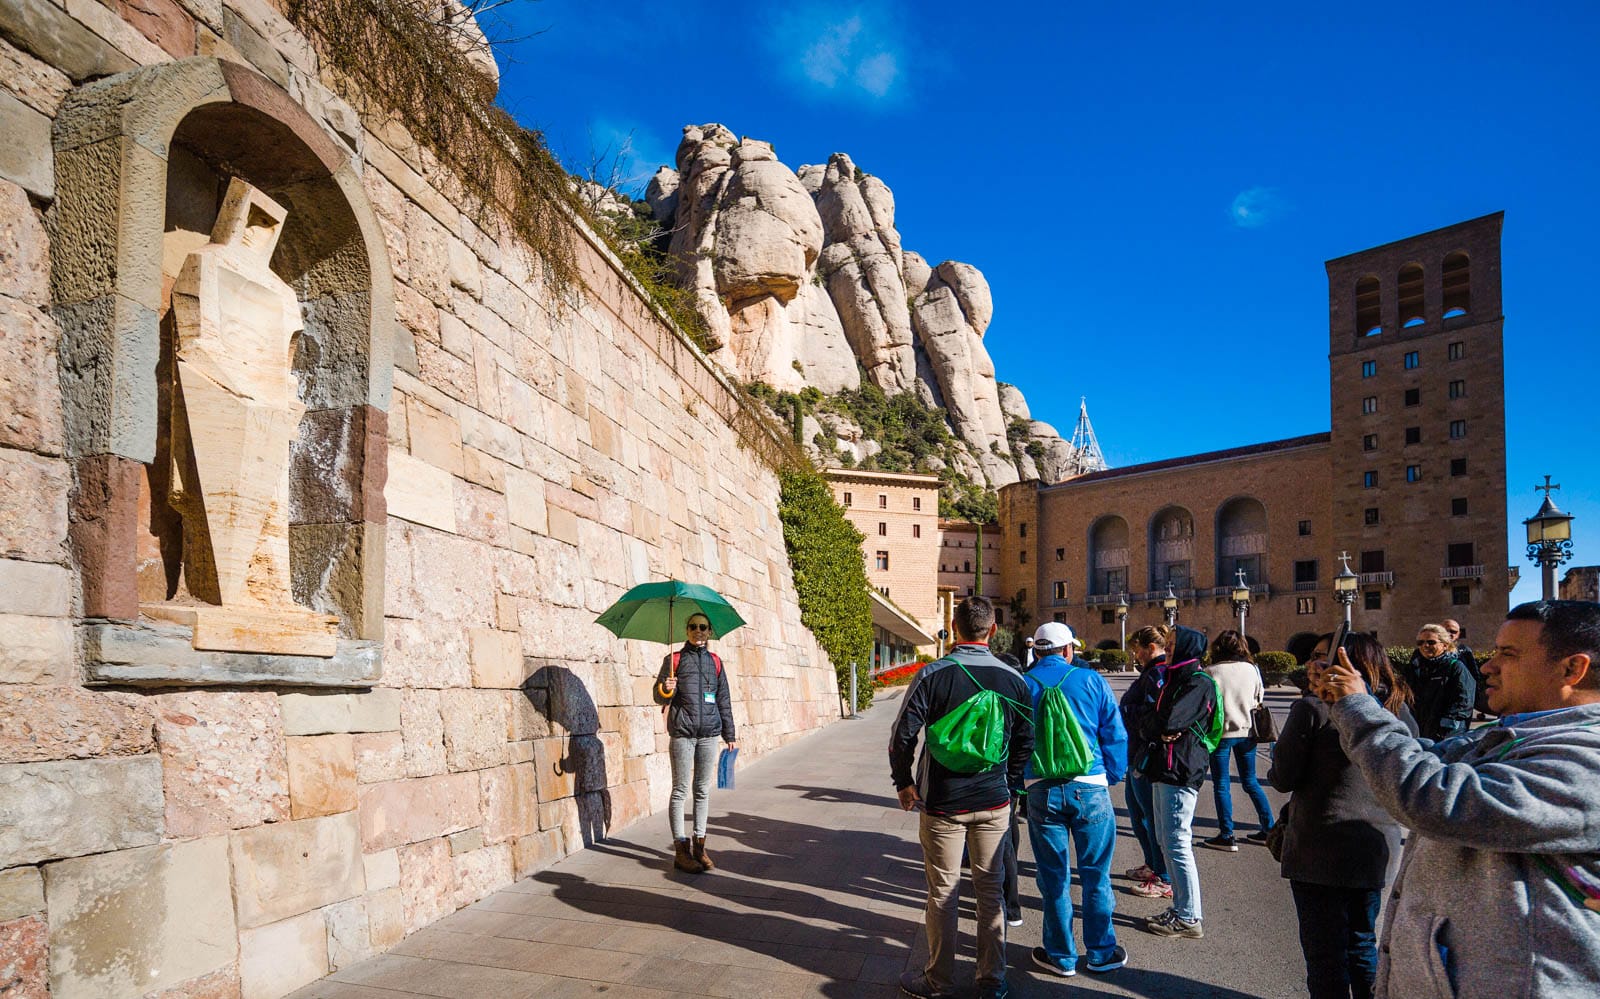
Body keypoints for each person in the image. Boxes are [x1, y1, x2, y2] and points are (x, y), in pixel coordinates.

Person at [1321, 600, 1600, 998]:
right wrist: (1353, 703)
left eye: (1508, 654)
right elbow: (1425, 756)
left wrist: (1357, 706)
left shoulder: (1587, 758)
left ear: (1572, 668)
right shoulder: (1512, 733)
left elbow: (1434, 798)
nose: (1488, 666)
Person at [890, 595, 1033, 999]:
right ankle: (991, 981)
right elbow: (1026, 740)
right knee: (991, 891)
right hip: (994, 801)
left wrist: (904, 781)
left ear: (954, 629)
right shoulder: (1015, 680)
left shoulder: (933, 674)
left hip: (942, 803)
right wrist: (1012, 784)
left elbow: (902, 735)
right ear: (992, 631)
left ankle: (937, 980)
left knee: (942, 892)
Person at [1268, 632, 1416, 999]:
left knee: (1324, 958)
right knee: (1362, 944)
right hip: (1376, 847)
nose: (1311, 664)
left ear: (1349, 664)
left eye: (1322, 656)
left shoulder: (1313, 708)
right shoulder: (1398, 712)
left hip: (1318, 849)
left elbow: (1282, 778)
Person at [1022, 621, 1129, 978]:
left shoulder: (1022, 684)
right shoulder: (1092, 681)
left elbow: (1013, 739)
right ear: (1069, 650)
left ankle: (1061, 955)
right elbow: (1114, 733)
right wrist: (1108, 776)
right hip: (1091, 786)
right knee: (1096, 875)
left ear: (1036, 651)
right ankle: (1101, 952)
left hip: (1041, 789)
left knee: (1053, 877)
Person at [1132, 625, 1217, 938]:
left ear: (1186, 648)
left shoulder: (1197, 683)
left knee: (1177, 843)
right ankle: (1183, 909)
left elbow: (1168, 720)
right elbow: (1146, 718)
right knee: (1167, 841)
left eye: (1171, 645)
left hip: (1180, 770)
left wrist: (1154, 724)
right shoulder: (1174, 680)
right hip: (1164, 768)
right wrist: (1153, 726)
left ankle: (1189, 916)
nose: (1166, 649)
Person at [653, 612, 737, 873]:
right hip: (682, 734)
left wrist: (730, 735)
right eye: (693, 627)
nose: (697, 631)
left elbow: (723, 699)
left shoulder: (716, 662)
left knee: (702, 790)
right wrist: (666, 688)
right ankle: (681, 850)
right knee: (680, 791)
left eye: (703, 627)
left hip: (710, 735)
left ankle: (700, 846)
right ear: (686, 630)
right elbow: (658, 697)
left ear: (709, 631)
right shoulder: (673, 660)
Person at [1201, 630, 1275, 850]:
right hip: (1248, 732)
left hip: (1222, 734)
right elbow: (1259, 697)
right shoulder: (1252, 669)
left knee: (1222, 784)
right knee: (1250, 782)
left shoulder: (1210, 672)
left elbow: (1207, 704)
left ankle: (1227, 835)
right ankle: (1268, 828)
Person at [1119, 625, 1173, 900]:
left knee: (1150, 817)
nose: (1135, 655)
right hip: (1137, 754)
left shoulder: (1157, 673)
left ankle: (1162, 876)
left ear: (1151, 648)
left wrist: (1127, 711)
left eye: (1137, 649)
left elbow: (1154, 714)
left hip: (1145, 755)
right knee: (1138, 814)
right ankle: (1152, 864)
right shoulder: (1151, 673)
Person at [993, 651, 1027, 927]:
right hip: (1014, 778)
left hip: (999, 777)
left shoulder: (1006, 691)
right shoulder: (1023, 688)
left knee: (1004, 839)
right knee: (1009, 831)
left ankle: (1011, 905)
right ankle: (1010, 903)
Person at [1402, 622, 1476, 740]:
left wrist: (1446, 728)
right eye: (1420, 643)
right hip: (1419, 732)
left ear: (1445, 645)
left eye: (1431, 642)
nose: (1425, 646)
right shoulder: (1414, 668)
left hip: (1446, 735)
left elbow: (1464, 701)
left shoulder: (1455, 667)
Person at [1444, 617, 1489, 716]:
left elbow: (1474, 674)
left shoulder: (1465, 651)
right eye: (1446, 630)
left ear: (1458, 634)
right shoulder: (1429, 650)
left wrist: (1474, 696)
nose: (1450, 634)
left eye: (1453, 631)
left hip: (1460, 699)